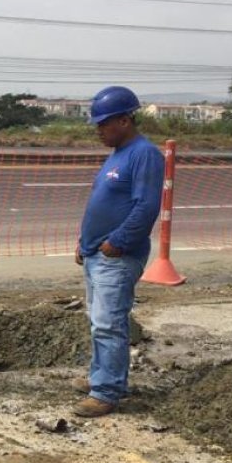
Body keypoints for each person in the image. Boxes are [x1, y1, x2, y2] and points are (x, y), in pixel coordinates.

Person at [73, 86, 165, 418]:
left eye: (104, 124)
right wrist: (84, 242)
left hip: (116, 256)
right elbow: (106, 202)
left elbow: (146, 207)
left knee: (108, 323)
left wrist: (118, 242)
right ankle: (103, 376)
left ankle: (107, 391)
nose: (99, 131)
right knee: (98, 322)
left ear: (125, 120)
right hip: (97, 253)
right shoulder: (117, 155)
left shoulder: (144, 154)